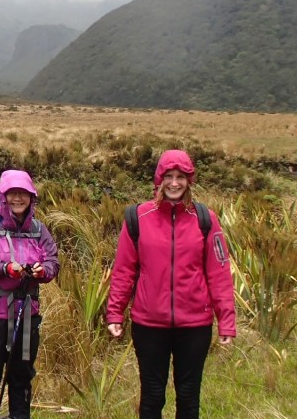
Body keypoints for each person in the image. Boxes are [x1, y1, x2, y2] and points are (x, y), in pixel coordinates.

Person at [106, 149, 236, 419]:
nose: (174, 183)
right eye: (168, 176)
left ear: (189, 180)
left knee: (188, 396)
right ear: (159, 179)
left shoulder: (205, 219)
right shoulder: (137, 217)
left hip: (195, 325)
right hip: (149, 324)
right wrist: (115, 312)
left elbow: (219, 273)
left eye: (180, 177)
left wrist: (226, 320)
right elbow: (124, 270)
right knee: (152, 396)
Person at [0, 170, 59, 419]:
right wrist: (3, 268)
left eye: (23, 193)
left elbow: (52, 261)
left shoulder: (39, 230)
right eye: (12, 193)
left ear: (31, 197)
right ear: (3, 196)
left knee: (21, 375)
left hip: (26, 316)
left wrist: (42, 271)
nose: (18, 198)